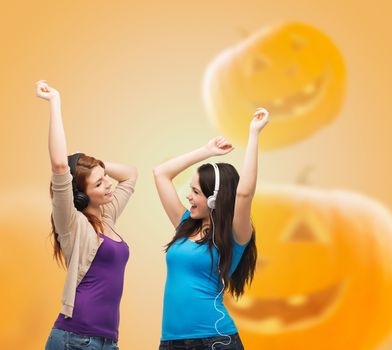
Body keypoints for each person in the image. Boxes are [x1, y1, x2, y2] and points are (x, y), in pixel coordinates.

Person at [153, 108, 269, 350]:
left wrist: (254, 134)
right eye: (190, 189)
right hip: (171, 342)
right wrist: (206, 152)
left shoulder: (235, 235)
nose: (188, 196)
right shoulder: (184, 225)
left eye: (196, 192)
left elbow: (244, 193)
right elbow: (161, 174)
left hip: (214, 341)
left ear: (215, 199)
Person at [36, 80, 138, 350]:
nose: (108, 185)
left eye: (105, 178)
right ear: (80, 196)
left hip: (106, 341)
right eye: (98, 183)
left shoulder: (108, 215)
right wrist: (54, 102)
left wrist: (91, 164)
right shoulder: (71, 223)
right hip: (76, 338)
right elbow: (59, 165)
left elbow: (130, 175)